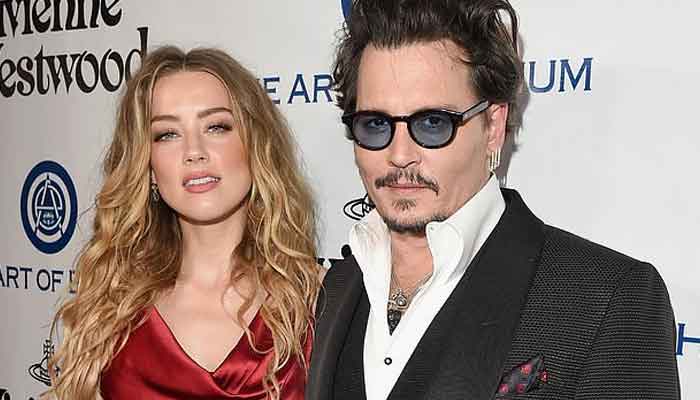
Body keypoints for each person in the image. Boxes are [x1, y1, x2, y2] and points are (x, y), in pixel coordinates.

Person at [306, 1, 680, 399]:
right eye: (376, 124)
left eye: (432, 123)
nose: (400, 155)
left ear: (493, 126)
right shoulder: (338, 285)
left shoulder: (607, 298)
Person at [48, 46, 321, 400]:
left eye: (216, 127)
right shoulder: (112, 306)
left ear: (257, 144)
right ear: (147, 165)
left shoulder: (316, 300)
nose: (194, 151)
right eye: (167, 134)